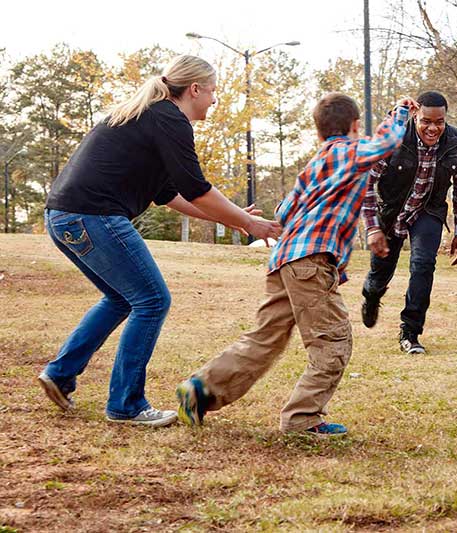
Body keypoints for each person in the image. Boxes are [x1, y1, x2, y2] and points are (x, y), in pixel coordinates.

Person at [37, 55, 282, 427]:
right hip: (93, 215)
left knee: (122, 299)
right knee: (152, 300)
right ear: (195, 89)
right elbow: (197, 189)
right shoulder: (169, 118)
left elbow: (170, 194)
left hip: (65, 216)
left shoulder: (150, 116)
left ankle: (60, 374)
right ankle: (126, 404)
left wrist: (233, 218)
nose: (215, 100)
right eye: (213, 91)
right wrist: (248, 222)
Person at [175, 93, 415, 436]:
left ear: (318, 132)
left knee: (265, 337)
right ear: (354, 126)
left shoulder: (315, 164)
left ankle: (201, 389)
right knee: (332, 341)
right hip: (311, 262)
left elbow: (285, 211)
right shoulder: (349, 151)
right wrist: (401, 112)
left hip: (285, 260)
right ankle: (303, 419)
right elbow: (387, 142)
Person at [360, 91, 457, 355]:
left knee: (424, 264)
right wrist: (373, 227)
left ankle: (410, 332)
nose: (433, 128)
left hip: (428, 211)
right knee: (380, 272)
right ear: (415, 116)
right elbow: (365, 180)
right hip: (391, 212)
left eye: (439, 122)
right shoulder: (395, 138)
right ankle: (372, 294)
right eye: (426, 121)